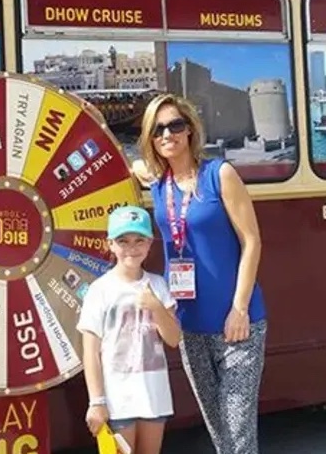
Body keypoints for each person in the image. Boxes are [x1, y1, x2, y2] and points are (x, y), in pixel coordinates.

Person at [131, 93, 267, 454]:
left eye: (175, 125)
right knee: (219, 431)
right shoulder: (158, 184)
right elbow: (134, 165)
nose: (167, 134)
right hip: (189, 326)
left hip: (237, 325)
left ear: (190, 129)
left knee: (237, 433)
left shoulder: (219, 175)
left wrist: (239, 309)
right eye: (157, 129)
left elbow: (252, 240)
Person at [77, 205, 181, 454]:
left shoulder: (158, 284)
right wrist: (96, 402)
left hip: (154, 397)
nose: (132, 248)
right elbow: (91, 352)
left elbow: (174, 338)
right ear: (110, 244)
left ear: (149, 244)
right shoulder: (100, 290)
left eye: (139, 240)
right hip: (117, 401)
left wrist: (155, 306)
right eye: (123, 241)